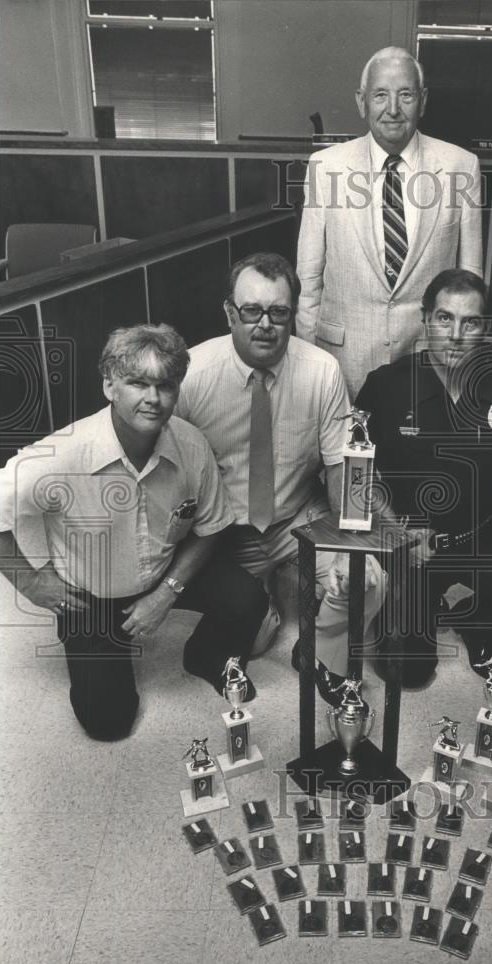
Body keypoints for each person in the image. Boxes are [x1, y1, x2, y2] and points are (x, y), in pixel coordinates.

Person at [0, 324, 269, 741]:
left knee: (249, 598)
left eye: (165, 385)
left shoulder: (191, 445)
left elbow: (210, 527)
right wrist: (31, 581)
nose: (153, 399)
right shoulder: (64, 454)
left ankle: (206, 657)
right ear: (109, 386)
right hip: (89, 595)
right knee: (108, 723)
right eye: (137, 383)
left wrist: (166, 593)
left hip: (162, 570)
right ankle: (108, 654)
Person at [354, 268, 492, 686]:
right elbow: (358, 471)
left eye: (470, 321)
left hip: (482, 531)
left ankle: (476, 624)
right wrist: (396, 534)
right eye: (444, 318)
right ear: (425, 319)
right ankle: (424, 605)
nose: (455, 333)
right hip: (411, 541)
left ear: (484, 327)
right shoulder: (385, 385)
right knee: (405, 670)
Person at [174, 251, 385, 677]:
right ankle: (263, 601)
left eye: (278, 312)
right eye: (252, 311)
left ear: (292, 316)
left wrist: (348, 546)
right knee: (251, 638)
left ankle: (318, 653)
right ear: (230, 313)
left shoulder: (321, 370)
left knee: (368, 580)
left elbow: (343, 469)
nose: (265, 324)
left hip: (296, 516)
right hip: (225, 532)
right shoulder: (192, 376)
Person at [296, 46, 483, 398]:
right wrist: (311, 359)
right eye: (380, 94)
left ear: (423, 100)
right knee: (345, 451)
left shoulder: (461, 166)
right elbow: (307, 281)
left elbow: (470, 283)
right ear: (361, 101)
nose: (393, 109)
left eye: (406, 95)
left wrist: (459, 355)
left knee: (417, 451)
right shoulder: (325, 167)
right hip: (342, 359)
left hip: (427, 359)